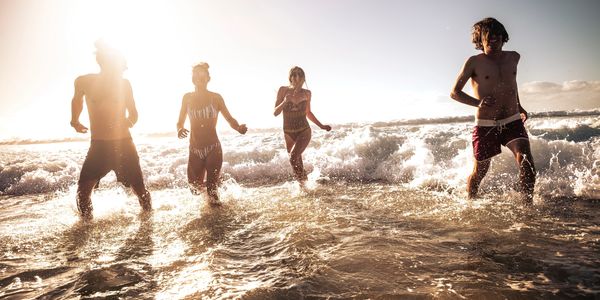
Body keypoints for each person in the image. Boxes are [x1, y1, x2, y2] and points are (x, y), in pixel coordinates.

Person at [450, 17, 536, 203]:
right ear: (480, 40)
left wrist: (518, 105)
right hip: (485, 124)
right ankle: (470, 202)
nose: (493, 41)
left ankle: (528, 207)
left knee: (526, 161)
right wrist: (478, 103)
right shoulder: (473, 62)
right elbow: (454, 93)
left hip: (512, 119)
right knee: (480, 172)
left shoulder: (514, 57)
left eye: (498, 37)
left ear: (504, 38)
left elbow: (511, 84)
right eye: (489, 37)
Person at [70, 40, 152, 220]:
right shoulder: (84, 81)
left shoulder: (124, 84)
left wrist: (128, 122)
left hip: (123, 144)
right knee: (83, 193)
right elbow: (76, 101)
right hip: (98, 147)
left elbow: (134, 113)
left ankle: (148, 221)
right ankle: (87, 226)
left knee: (140, 190)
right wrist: (74, 121)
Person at [177, 62, 247, 205]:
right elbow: (179, 122)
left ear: (208, 78)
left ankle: (217, 218)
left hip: (213, 148)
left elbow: (229, 118)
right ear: (192, 78)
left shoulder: (216, 98)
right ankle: (215, 187)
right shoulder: (187, 98)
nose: (199, 77)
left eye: (202, 74)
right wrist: (179, 129)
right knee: (194, 188)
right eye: (195, 74)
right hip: (194, 149)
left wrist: (238, 127)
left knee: (211, 190)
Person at [274, 66, 331, 185]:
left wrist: (321, 126)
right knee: (296, 162)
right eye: (294, 74)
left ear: (303, 78)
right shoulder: (283, 90)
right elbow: (275, 112)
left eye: (299, 74)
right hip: (288, 132)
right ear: (290, 77)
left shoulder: (307, 93)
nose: (297, 77)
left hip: (303, 130)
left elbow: (308, 113)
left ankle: (305, 186)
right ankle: (304, 186)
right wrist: (284, 102)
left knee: (293, 157)